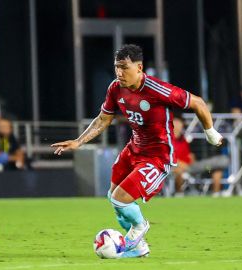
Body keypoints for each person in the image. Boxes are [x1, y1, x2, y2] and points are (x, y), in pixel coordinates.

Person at [51, 44, 222, 258]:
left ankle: (140, 228)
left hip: (157, 157)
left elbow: (198, 103)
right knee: (113, 198)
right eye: (116, 67)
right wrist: (78, 141)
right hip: (134, 149)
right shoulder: (115, 88)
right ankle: (140, 247)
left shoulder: (158, 90)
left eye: (124, 67)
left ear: (139, 67)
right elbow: (104, 119)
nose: (119, 73)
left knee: (120, 199)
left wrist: (210, 132)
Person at [171, 116, 229, 197]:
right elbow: (166, 157)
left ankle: (216, 196)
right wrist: (181, 164)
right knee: (178, 170)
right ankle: (179, 194)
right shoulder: (167, 139)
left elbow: (190, 155)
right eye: (176, 123)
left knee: (216, 169)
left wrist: (191, 162)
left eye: (179, 123)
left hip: (192, 167)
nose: (178, 125)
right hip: (176, 167)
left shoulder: (183, 139)